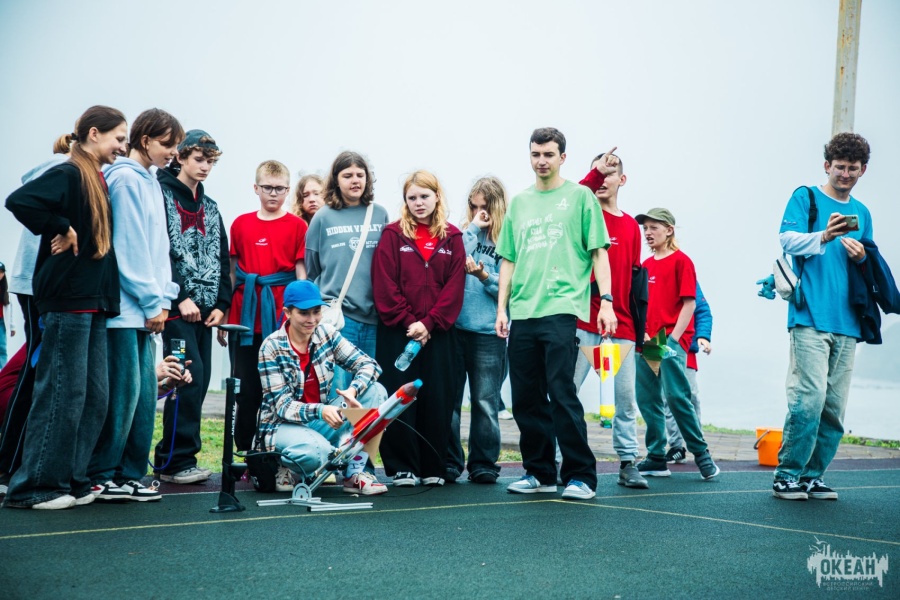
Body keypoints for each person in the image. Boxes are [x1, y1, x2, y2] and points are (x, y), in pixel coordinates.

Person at [4, 106, 127, 510]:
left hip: (94, 301)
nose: (123, 146)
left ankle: (73, 480)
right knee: (62, 393)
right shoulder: (70, 172)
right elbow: (20, 200)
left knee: (93, 396)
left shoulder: (97, 177)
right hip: (67, 301)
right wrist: (61, 226)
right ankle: (34, 487)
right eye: (119, 138)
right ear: (94, 134)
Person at [495, 128, 616, 501]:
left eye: (549, 154)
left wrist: (607, 301)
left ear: (563, 157)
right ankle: (540, 472)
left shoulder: (580, 197)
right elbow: (508, 259)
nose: (541, 161)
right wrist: (502, 309)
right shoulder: (519, 203)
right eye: (536, 154)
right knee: (525, 398)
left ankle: (581, 476)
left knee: (562, 393)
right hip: (523, 312)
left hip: (562, 308)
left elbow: (599, 252)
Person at [773, 133, 890, 500]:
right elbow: (786, 240)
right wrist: (824, 235)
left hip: (849, 321)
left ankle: (812, 476)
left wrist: (862, 257)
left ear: (863, 170)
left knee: (834, 407)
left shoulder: (863, 213)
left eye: (852, 168)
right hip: (809, 315)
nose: (845, 174)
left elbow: (869, 261)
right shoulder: (805, 197)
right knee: (808, 399)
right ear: (827, 165)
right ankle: (787, 475)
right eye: (839, 167)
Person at [87, 109, 183, 503]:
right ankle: (102, 475)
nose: (173, 153)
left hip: (148, 310)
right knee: (123, 397)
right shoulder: (125, 178)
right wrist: (151, 301)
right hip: (127, 311)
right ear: (145, 141)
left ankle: (128, 474)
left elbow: (159, 250)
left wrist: (163, 299)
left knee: (143, 398)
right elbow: (129, 247)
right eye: (167, 144)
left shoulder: (151, 180)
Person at [372, 170, 465, 487]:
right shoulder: (392, 235)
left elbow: (454, 288)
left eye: (424, 196)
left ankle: (432, 466)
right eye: (412, 197)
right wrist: (409, 321)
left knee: (437, 398)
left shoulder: (453, 237)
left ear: (437, 197)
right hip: (399, 333)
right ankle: (402, 467)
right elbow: (384, 284)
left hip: (438, 333)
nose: (418, 203)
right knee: (400, 398)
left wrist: (429, 323)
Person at [256, 280, 388, 495]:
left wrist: (353, 390)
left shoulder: (326, 333)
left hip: (320, 421)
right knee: (318, 453)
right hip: (280, 425)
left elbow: (369, 365)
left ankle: (355, 473)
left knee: (376, 392)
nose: (312, 319)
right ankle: (284, 463)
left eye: (317, 312)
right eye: (304, 313)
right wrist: (321, 410)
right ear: (287, 313)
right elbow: (282, 407)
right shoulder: (270, 347)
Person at [153, 129, 231, 485]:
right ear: (181, 157)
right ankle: (174, 461)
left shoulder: (211, 207)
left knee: (199, 381)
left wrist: (222, 303)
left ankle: (178, 458)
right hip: (175, 311)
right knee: (186, 377)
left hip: (204, 313)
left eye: (210, 162)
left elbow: (222, 258)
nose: (205, 167)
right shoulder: (161, 195)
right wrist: (178, 296)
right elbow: (160, 252)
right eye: (199, 159)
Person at [0, 136, 72, 490]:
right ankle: (8, 464)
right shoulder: (62, 170)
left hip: (37, 284)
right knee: (35, 375)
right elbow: (20, 202)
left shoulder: (63, 171)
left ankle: (14, 462)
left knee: (40, 375)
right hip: (37, 285)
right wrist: (63, 227)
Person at [575, 152, 648, 489]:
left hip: (623, 326)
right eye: (597, 173)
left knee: (625, 399)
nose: (603, 179)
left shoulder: (632, 226)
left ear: (623, 179)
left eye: (610, 172)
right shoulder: (583, 216)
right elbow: (575, 195)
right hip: (583, 321)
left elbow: (634, 280)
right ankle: (564, 458)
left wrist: (642, 326)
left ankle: (628, 461)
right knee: (566, 392)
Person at [633, 208, 720, 481]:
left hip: (670, 339)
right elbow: (641, 305)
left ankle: (702, 455)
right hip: (648, 341)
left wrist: (672, 339)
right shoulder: (645, 265)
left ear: (669, 230)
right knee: (647, 399)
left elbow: (690, 304)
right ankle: (656, 457)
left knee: (677, 398)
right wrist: (643, 334)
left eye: (653, 227)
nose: (648, 233)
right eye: (645, 228)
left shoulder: (682, 261)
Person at [228, 160, 307, 453]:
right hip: (245, 317)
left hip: (280, 315)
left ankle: (276, 449)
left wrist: (301, 317)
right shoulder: (240, 223)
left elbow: (301, 274)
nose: (273, 193)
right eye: (268, 188)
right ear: (256, 188)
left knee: (280, 387)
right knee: (246, 388)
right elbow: (232, 273)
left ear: (288, 190)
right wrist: (226, 315)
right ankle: (244, 450)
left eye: (279, 189)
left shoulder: (297, 226)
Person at [305, 151, 388, 395]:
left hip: (374, 319)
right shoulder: (323, 217)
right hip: (339, 318)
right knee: (338, 392)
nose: (355, 180)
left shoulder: (380, 214)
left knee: (366, 391)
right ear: (336, 180)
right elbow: (312, 269)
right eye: (348, 175)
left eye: (360, 175)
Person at [446, 176, 508, 484]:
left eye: (484, 206)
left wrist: (485, 277)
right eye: (473, 206)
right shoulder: (463, 233)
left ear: (497, 206)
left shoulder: (509, 239)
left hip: (488, 333)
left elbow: (510, 291)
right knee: (451, 400)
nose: (479, 212)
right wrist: (472, 228)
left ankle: (483, 463)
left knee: (485, 401)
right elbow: (450, 264)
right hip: (455, 329)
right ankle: (449, 461)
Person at [663, 282, 712, 464]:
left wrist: (703, 336)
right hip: (658, 344)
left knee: (690, 397)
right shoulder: (650, 272)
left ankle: (699, 445)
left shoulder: (686, 276)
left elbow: (703, 311)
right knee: (666, 398)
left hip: (684, 347)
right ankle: (676, 446)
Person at [0, 263, 11, 369]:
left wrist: (12, 326)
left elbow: (9, 309)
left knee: (2, 347)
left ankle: (4, 371)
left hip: (1, 322)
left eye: (1, 272)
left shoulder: (5, 290)